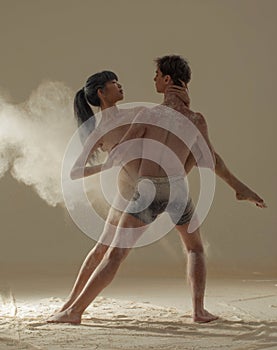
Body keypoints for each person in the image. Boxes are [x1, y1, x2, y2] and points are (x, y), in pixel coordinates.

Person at [48, 60, 266, 324]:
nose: (152, 80)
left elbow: (125, 150)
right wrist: (239, 187)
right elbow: (209, 159)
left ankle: (74, 312)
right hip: (176, 189)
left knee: (116, 254)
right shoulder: (196, 119)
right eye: (113, 83)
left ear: (166, 81)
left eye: (156, 76)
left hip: (148, 190)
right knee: (194, 249)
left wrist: (117, 161)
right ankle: (198, 312)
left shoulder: (147, 114)